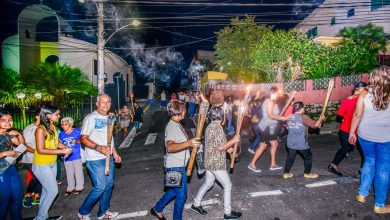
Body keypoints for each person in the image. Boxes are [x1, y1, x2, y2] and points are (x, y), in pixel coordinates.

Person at [349, 66, 390, 214]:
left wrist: (352, 132)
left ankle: (362, 194)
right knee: (383, 168)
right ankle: (379, 204)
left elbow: (357, 115)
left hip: (365, 135)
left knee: (369, 161)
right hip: (386, 137)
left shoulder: (364, 94)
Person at [150, 100, 201, 220]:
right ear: (180, 111)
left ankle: (157, 209)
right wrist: (188, 143)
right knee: (182, 195)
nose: (186, 111)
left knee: (174, 190)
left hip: (177, 164)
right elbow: (170, 147)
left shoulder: (176, 123)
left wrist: (191, 143)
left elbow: (180, 142)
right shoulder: (172, 126)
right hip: (175, 166)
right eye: (184, 109)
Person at [191, 106, 242, 219]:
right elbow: (219, 148)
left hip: (209, 161)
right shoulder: (217, 128)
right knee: (227, 185)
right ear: (222, 116)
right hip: (215, 162)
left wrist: (229, 148)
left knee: (208, 184)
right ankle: (227, 213)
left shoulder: (210, 126)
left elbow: (217, 143)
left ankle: (196, 203)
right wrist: (233, 140)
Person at [78, 94, 122, 220]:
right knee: (100, 186)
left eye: (108, 102)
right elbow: (83, 138)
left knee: (109, 185)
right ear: (97, 103)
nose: (105, 104)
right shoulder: (91, 118)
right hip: (94, 158)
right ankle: (83, 212)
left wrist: (114, 152)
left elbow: (109, 137)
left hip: (107, 157)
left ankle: (103, 212)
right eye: (102, 102)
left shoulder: (110, 117)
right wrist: (99, 148)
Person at [33, 105, 72, 220]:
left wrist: (64, 147)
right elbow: (40, 149)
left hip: (52, 163)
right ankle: (40, 218)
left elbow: (56, 142)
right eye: (57, 114)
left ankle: (43, 216)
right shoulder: (40, 129)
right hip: (41, 165)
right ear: (49, 115)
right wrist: (62, 151)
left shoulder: (52, 127)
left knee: (46, 192)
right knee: (53, 191)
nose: (59, 116)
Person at [328, 82, 367, 176]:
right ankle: (363, 170)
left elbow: (340, 113)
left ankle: (333, 165)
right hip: (357, 129)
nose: (367, 91)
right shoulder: (362, 99)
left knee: (346, 148)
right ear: (361, 90)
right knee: (365, 151)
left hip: (344, 129)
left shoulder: (346, 99)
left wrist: (347, 117)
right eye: (365, 89)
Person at [248, 87, 289, 172]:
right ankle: (252, 163)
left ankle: (273, 164)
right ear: (272, 93)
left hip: (267, 126)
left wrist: (279, 115)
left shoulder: (269, 101)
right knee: (263, 146)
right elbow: (270, 115)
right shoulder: (270, 102)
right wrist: (283, 118)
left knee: (274, 144)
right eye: (277, 94)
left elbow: (272, 114)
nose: (278, 96)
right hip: (267, 127)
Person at [283, 102, 324, 179]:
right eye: (303, 108)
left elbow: (287, 127)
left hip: (290, 141)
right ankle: (307, 173)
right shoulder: (303, 117)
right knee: (308, 156)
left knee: (290, 158)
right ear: (301, 109)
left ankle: (286, 173)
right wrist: (321, 118)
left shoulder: (289, 117)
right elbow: (315, 125)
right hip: (301, 142)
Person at [0, 111, 25, 220]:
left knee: (17, 198)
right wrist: (5, 153)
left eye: (10, 120)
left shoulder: (7, 134)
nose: (8, 123)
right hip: (1, 172)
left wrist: (19, 134)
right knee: (3, 202)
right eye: (3, 120)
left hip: (11, 169)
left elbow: (22, 146)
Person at [21, 109, 42, 208]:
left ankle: (36, 196)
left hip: (41, 158)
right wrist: (38, 152)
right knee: (36, 177)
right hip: (30, 158)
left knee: (40, 177)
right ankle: (27, 195)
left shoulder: (43, 128)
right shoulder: (29, 129)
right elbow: (25, 145)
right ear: (37, 116)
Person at [59, 117, 84, 196]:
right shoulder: (61, 134)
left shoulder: (77, 131)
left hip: (77, 154)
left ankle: (79, 187)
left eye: (65, 124)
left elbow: (84, 140)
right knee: (69, 172)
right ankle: (70, 187)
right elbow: (59, 144)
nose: (63, 126)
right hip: (67, 156)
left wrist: (76, 141)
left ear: (71, 124)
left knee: (78, 172)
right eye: (62, 125)